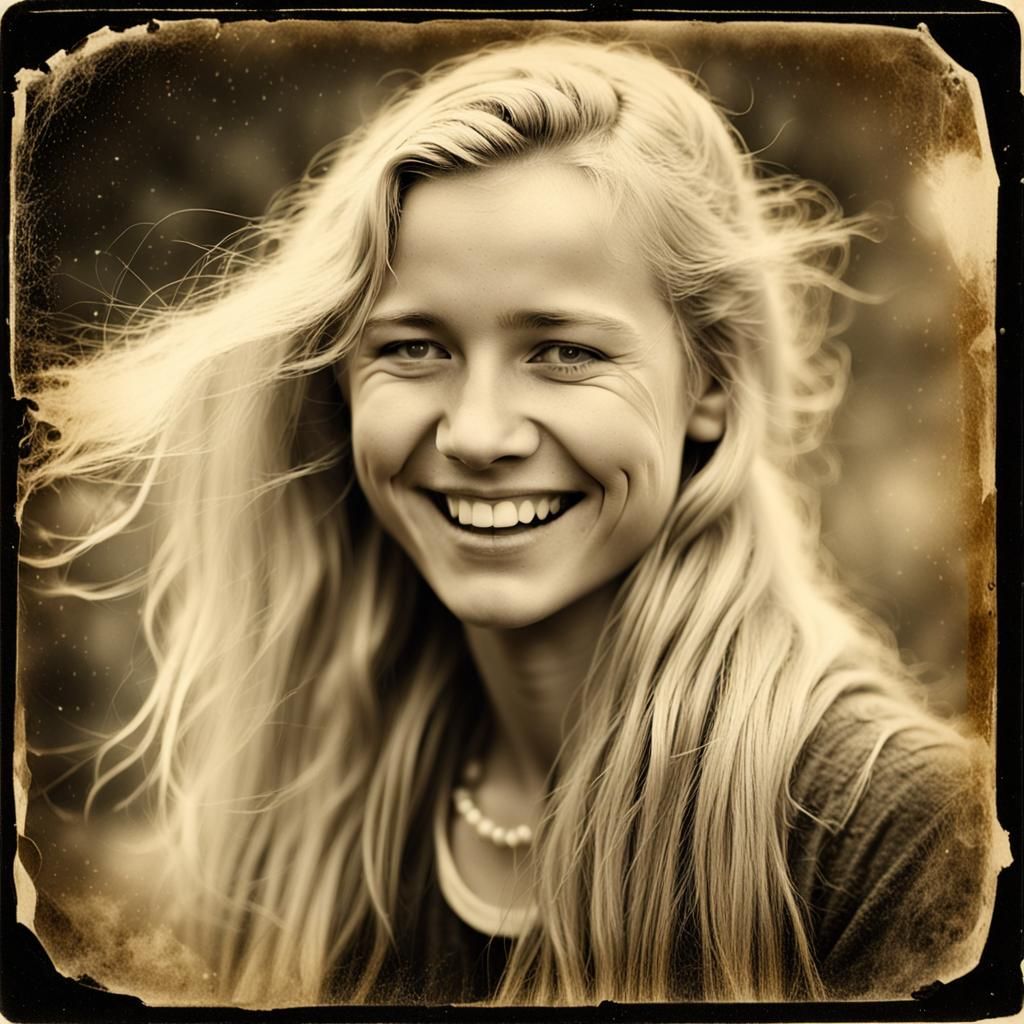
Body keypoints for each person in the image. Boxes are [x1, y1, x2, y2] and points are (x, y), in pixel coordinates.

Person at [16, 34, 999, 1007]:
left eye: (563, 351)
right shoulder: (314, 818)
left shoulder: (891, 840)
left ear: (712, 379)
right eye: (412, 347)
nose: (477, 432)